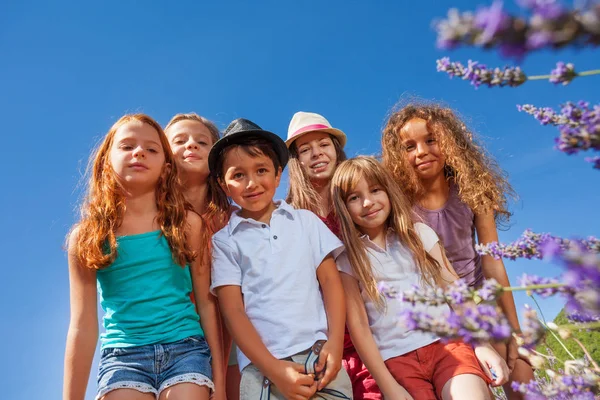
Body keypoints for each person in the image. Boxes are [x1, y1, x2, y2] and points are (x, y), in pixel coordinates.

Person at [64, 114, 222, 400]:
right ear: (105, 162)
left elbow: (207, 306)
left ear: (165, 168)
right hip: (123, 358)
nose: (139, 152)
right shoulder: (87, 237)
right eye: (127, 146)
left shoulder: (187, 225)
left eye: (151, 149)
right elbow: (82, 325)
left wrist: (219, 385)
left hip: (185, 348)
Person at [381, 103, 534, 399]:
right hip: (441, 308)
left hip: (479, 296)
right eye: (409, 146)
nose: (421, 151)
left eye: (430, 140)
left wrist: (515, 330)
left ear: (450, 142)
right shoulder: (401, 204)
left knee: (521, 373)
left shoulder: (471, 190)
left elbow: (492, 263)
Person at [331, 156, 509, 400]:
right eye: (354, 197)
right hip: (396, 361)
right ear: (343, 207)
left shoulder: (418, 235)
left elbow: (454, 291)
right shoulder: (347, 260)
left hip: (448, 345)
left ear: (388, 191)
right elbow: (359, 327)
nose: (368, 202)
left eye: (375, 190)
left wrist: (482, 345)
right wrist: (387, 385)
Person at [209, 118, 353, 399]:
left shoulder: (305, 221)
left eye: (261, 170)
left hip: (319, 356)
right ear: (223, 184)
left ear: (277, 175)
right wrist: (274, 369)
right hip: (262, 370)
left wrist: (335, 343)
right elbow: (233, 311)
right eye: (238, 175)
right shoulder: (224, 241)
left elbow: (330, 282)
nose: (252, 183)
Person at [286, 112, 382, 399]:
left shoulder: (363, 203)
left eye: (324, 145)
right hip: (320, 344)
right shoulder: (289, 217)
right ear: (296, 161)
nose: (317, 154)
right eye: (305, 149)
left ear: (336, 150)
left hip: (373, 332)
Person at [164, 113, 237, 399]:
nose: (191, 146)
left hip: (233, 339)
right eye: (179, 141)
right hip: (171, 343)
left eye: (202, 142)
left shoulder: (234, 220)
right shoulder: (151, 221)